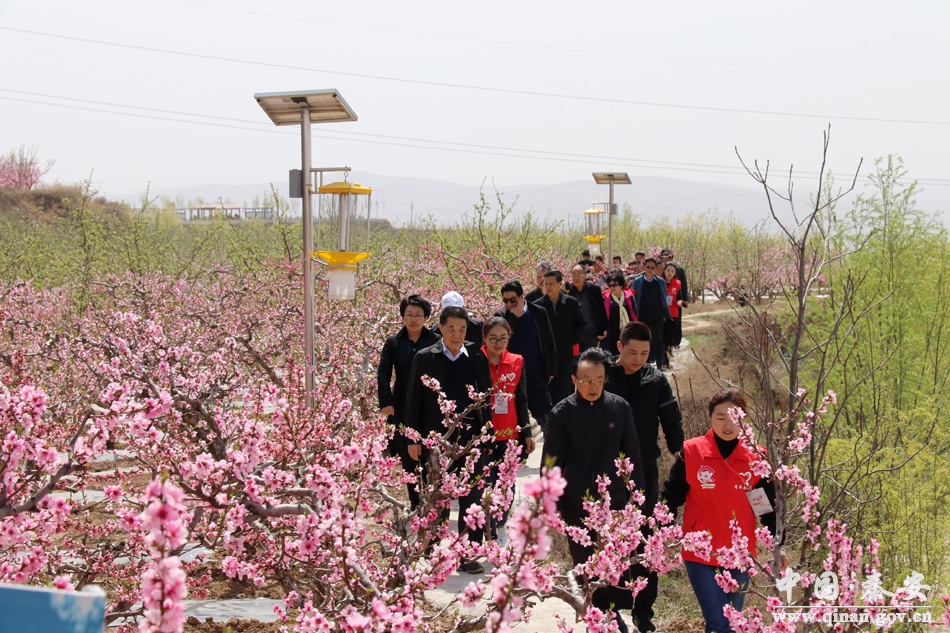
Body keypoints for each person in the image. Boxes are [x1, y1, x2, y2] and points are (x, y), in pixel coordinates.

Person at [662, 389, 783, 633]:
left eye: (734, 417)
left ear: (744, 418)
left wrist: (778, 545)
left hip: (741, 556)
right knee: (720, 621)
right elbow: (670, 498)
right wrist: (662, 535)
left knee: (733, 623)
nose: (727, 424)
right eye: (720, 417)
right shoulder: (692, 453)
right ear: (710, 418)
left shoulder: (755, 459)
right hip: (700, 555)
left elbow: (767, 510)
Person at [543, 347, 645, 633]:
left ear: (605, 379)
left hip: (615, 501)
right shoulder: (561, 413)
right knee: (587, 563)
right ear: (575, 380)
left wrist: (637, 501)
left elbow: (633, 456)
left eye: (598, 379)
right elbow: (550, 463)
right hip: (577, 503)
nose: (593, 386)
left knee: (616, 562)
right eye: (586, 380)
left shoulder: (620, 408)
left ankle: (613, 614)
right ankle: (596, 616)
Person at [605, 322, 685, 633]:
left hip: (644, 469)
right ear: (619, 347)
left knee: (646, 539)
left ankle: (643, 611)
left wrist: (680, 449)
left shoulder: (655, 380)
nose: (638, 358)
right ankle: (612, 610)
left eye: (644, 353)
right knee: (611, 539)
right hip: (608, 470)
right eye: (632, 352)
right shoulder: (604, 376)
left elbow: (670, 416)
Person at [405, 305, 494, 574]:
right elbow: (413, 399)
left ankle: (467, 553)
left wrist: (486, 434)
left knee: (472, 496)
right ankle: (435, 551)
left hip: (470, 440)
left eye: (463, 329)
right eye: (451, 328)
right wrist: (414, 438)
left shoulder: (476, 357)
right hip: (437, 438)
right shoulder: (425, 357)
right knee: (438, 496)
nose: (457, 334)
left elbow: (484, 397)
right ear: (440, 328)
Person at [377, 295, 442, 509]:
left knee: (429, 452)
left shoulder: (434, 341)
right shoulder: (393, 342)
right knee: (407, 457)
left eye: (418, 315)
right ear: (402, 316)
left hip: (429, 405)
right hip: (402, 405)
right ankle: (416, 504)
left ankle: (433, 502)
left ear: (426, 317)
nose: (413, 319)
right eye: (409, 314)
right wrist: (386, 402)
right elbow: (383, 373)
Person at [480, 317, 536, 543]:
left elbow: (521, 400)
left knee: (506, 485)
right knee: (487, 485)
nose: (498, 342)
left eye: (503, 338)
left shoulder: (516, 361)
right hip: (484, 436)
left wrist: (528, 432)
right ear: (484, 338)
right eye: (493, 338)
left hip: (510, 435)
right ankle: (491, 532)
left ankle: (500, 522)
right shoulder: (476, 360)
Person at [495, 280, 556, 431]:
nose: (509, 304)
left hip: (535, 371)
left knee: (544, 414)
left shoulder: (538, 311)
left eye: (513, 300)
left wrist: (551, 370)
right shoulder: (501, 316)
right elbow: (500, 338)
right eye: (505, 300)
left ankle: (553, 445)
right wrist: (514, 318)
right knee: (512, 415)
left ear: (522, 297)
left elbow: (549, 342)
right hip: (510, 375)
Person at [538, 270, 585, 405]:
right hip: (545, 358)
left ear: (560, 284)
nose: (548, 287)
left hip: (566, 355)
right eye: (546, 284)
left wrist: (573, 339)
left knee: (565, 389)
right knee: (548, 393)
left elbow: (581, 324)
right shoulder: (538, 305)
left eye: (552, 283)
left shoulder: (571, 303)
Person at [630, 259, 671, 366]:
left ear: (655, 269)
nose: (650, 269)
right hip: (642, 314)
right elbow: (632, 297)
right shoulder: (638, 281)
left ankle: (659, 363)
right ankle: (646, 364)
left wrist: (664, 314)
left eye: (652, 268)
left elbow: (663, 297)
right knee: (644, 340)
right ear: (644, 267)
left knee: (658, 339)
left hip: (657, 315)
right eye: (648, 267)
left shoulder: (660, 281)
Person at [567, 264, 608, 353]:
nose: (576, 277)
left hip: (591, 332)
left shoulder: (594, 290)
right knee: (575, 362)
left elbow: (601, 310)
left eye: (579, 274)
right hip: (574, 334)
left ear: (585, 276)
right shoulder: (568, 291)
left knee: (590, 359)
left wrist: (604, 328)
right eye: (574, 274)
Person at [602, 271, 637, 353]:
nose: (612, 287)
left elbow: (634, 314)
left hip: (627, 330)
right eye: (610, 285)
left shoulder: (629, 296)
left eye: (615, 285)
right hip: (611, 332)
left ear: (621, 285)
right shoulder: (605, 298)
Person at [662, 262, 683, 369]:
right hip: (661, 315)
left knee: (669, 338)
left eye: (672, 271)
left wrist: (680, 301)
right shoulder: (659, 282)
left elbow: (680, 296)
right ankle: (660, 360)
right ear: (664, 271)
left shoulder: (678, 283)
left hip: (673, 314)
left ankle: (667, 360)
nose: (670, 273)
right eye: (668, 270)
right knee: (661, 338)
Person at [660, 248, 689, 316]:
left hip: (676, 298)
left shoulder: (679, 269)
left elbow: (684, 285)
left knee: (676, 315)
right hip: (663, 301)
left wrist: (684, 299)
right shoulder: (660, 268)